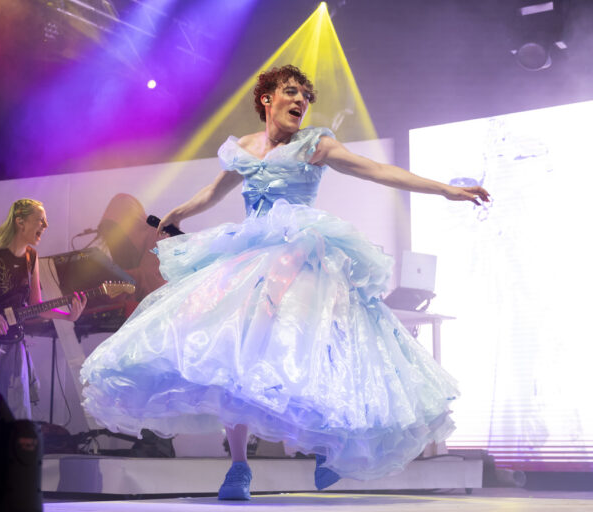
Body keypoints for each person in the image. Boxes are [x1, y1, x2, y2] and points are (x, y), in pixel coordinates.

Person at [79, 65, 490, 499]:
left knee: (314, 346)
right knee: (234, 356)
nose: (300, 102)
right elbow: (215, 191)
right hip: (251, 256)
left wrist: (443, 189)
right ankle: (238, 466)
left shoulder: (315, 144)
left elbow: (374, 170)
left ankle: (327, 445)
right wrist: (179, 212)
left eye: (305, 97)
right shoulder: (243, 149)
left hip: (303, 255)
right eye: (291, 92)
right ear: (266, 99)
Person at [0, 198, 86, 419]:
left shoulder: (32, 257)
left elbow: (36, 306)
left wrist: (67, 316)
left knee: (12, 416)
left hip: (12, 346)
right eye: (40, 220)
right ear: (20, 222)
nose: (45, 226)